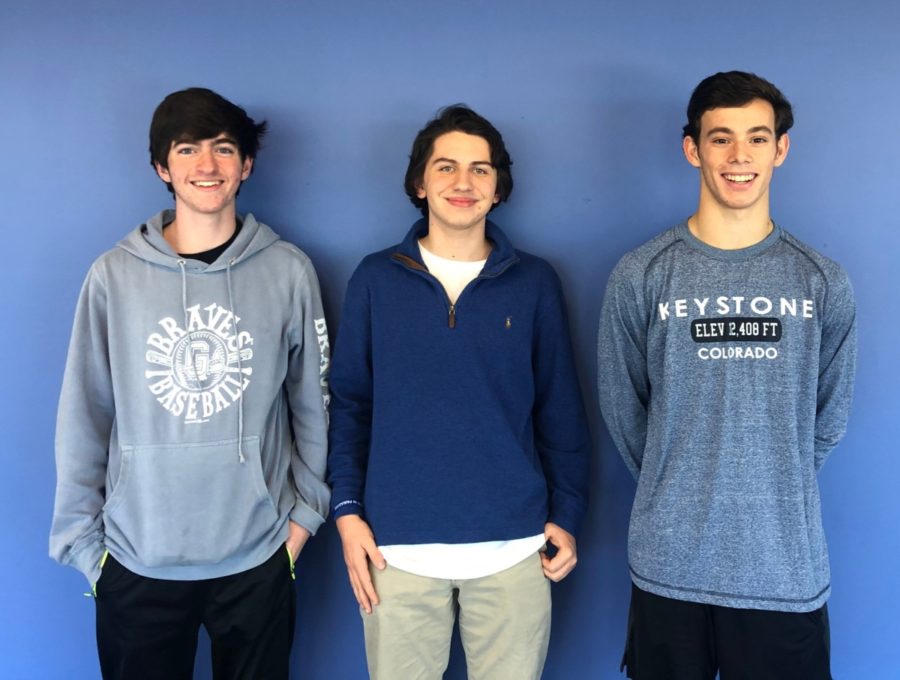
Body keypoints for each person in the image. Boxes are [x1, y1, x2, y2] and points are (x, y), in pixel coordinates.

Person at [49, 87, 331, 679]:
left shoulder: (287, 270)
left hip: (258, 557)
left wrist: (303, 521)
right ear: (162, 167)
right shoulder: (113, 277)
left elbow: (315, 405)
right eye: (187, 150)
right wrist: (87, 549)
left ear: (246, 164)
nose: (207, 166)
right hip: (136, 560)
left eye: (224, 149)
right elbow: (84, 413)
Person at [598, 71, 857, 679]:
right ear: (693, 149)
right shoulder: (640, 274)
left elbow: (830, 416)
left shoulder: (821, 281)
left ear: (781, 149)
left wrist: (771, 486)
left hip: (784, 571)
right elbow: (622, 407)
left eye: (757, 138)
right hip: (669, 568)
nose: (739, 156)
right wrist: (680, 480)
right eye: (720, 139)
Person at [328, 105, 591, 680]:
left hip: (515, 551)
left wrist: (567, 514)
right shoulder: (375, 279)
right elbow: (350, 406)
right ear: (420, 183)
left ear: (499, 188)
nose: (463, 183)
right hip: (395, 554)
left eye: (480, 169)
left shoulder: (535, 282)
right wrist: (347, 515)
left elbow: (561, 411)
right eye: (445, 167)